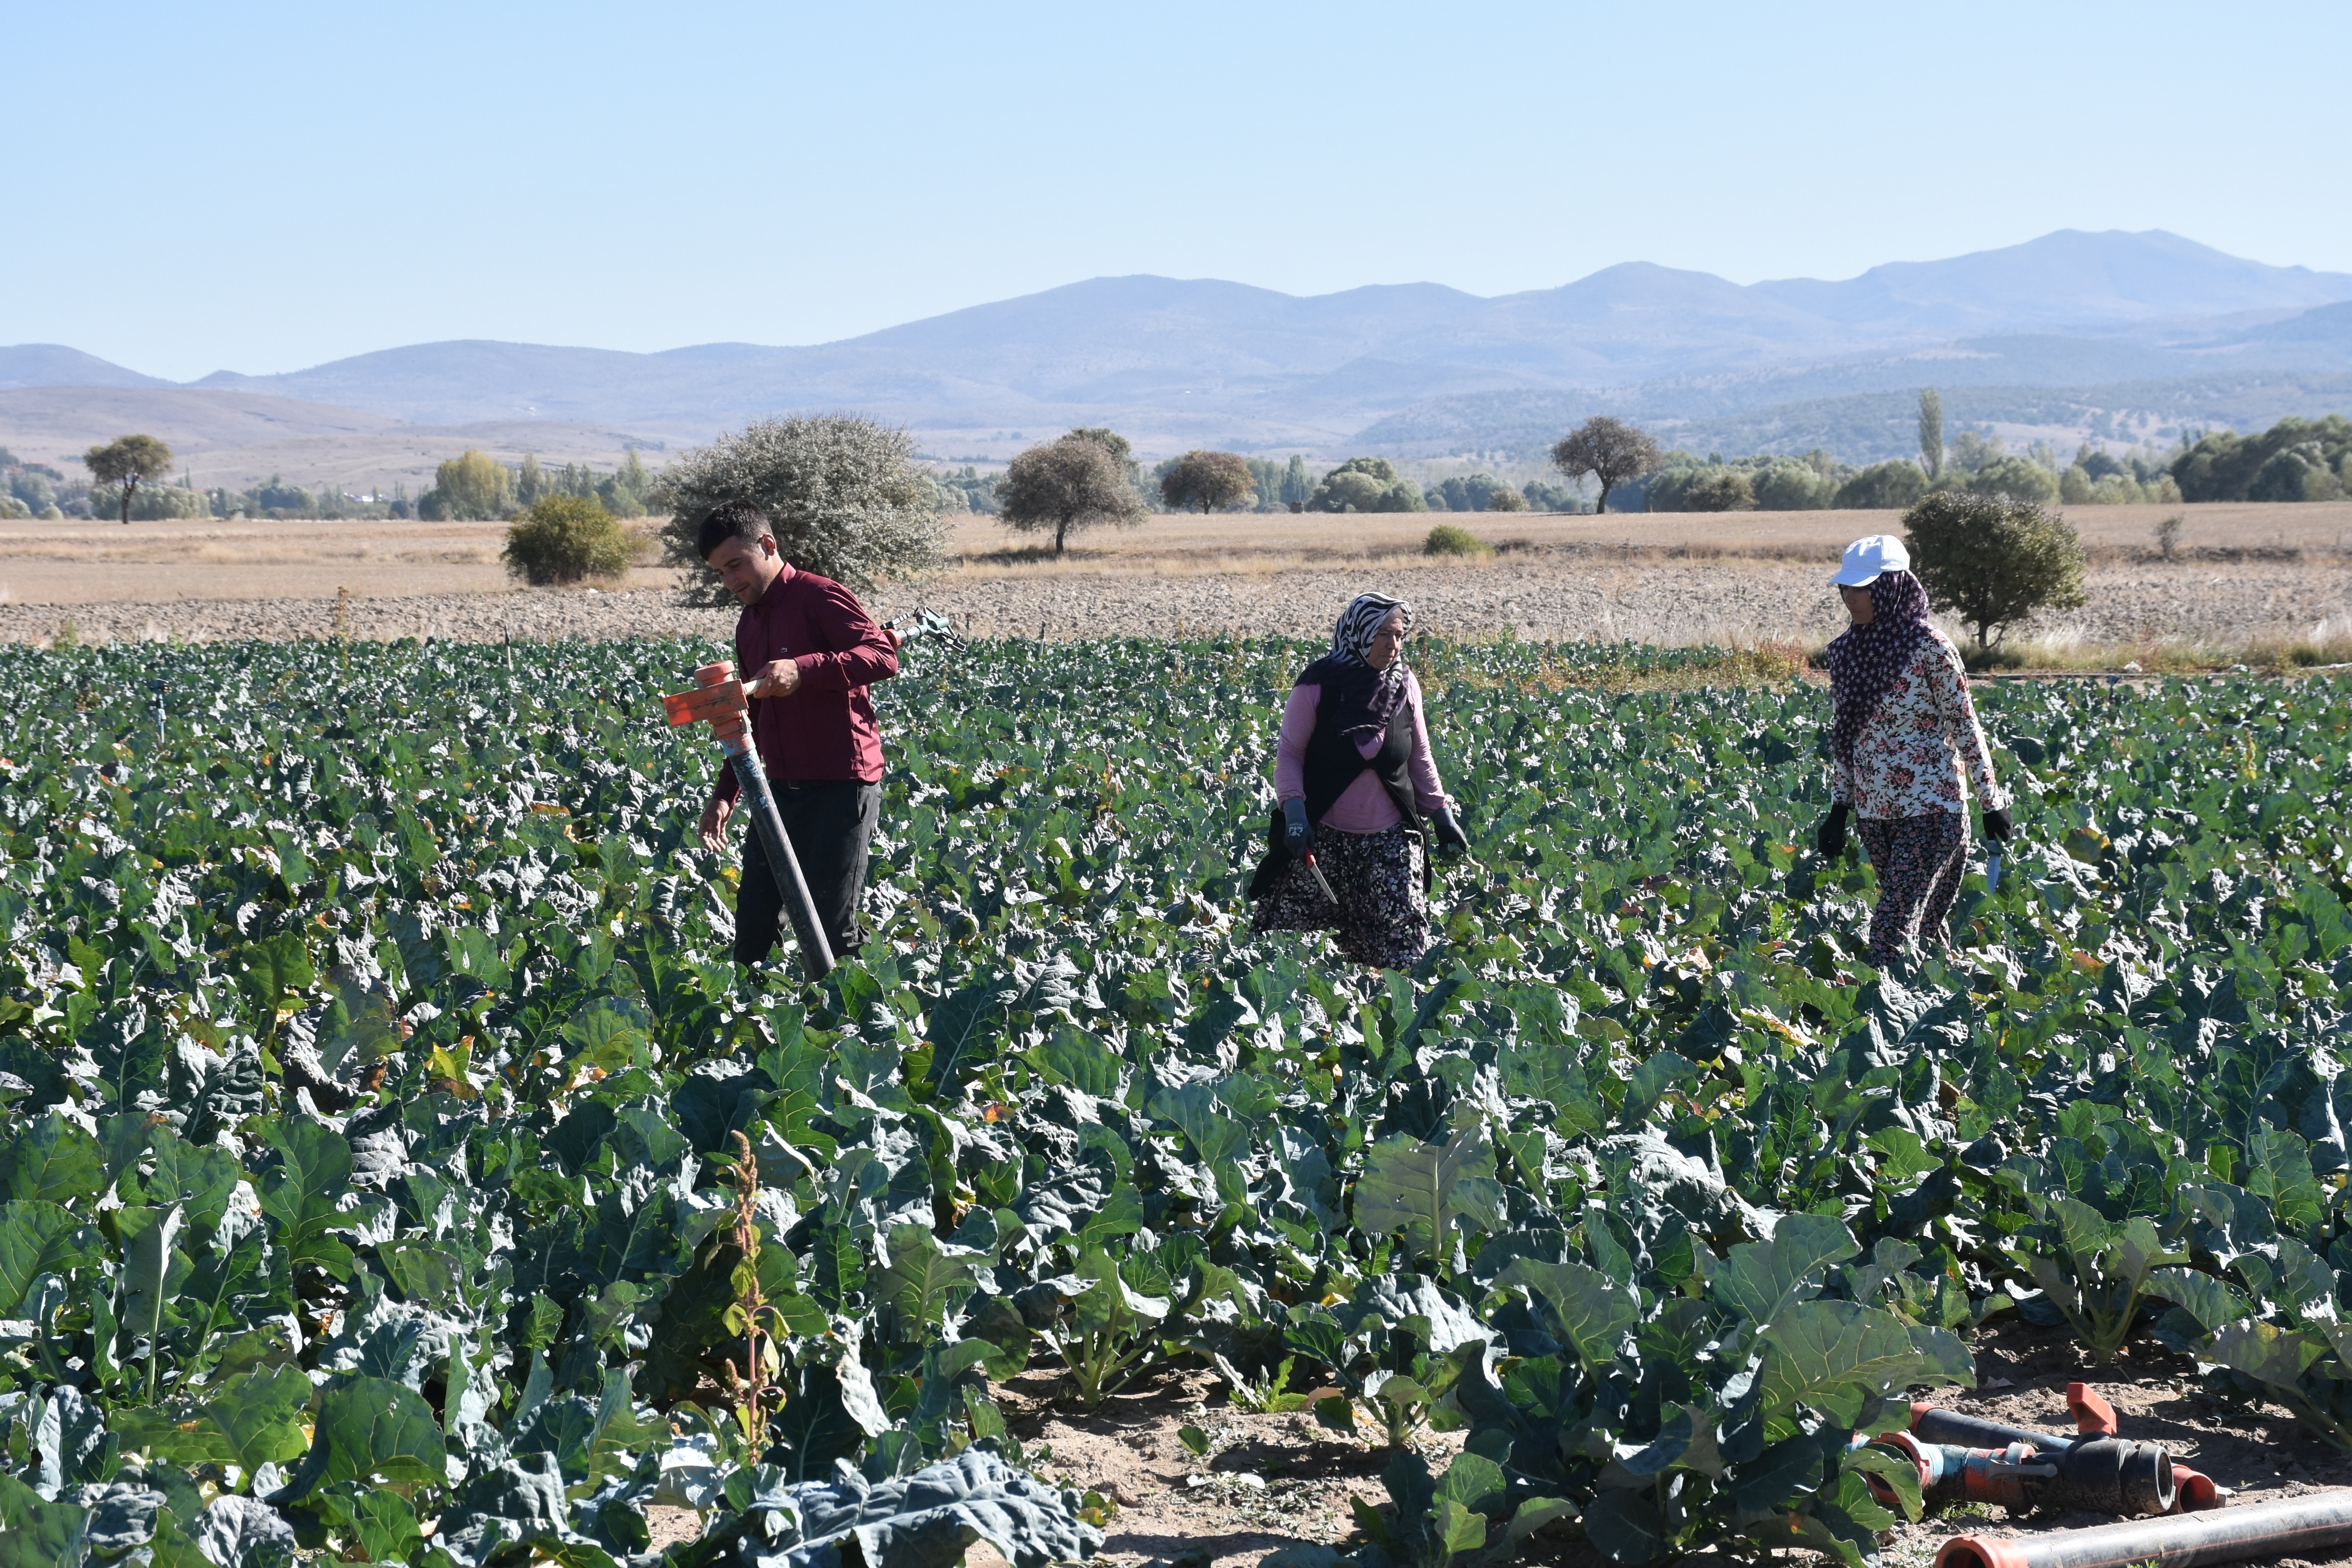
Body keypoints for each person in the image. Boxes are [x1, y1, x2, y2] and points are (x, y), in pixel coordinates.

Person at [694, 500, 898, 966]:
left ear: (768, 546)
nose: (730, 582)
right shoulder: (750, 624)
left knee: (831, 929)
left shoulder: (820, 597)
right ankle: (753, 1033)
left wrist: (803, 670)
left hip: (843, 788)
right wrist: (727, 794)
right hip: (779, 791)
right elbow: (751, 722)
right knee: (752, 926)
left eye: (735, 566)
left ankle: (849, 1031)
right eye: (720, 574)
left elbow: (881, 657)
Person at [1815, 535, 2013, 966]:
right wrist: (1839, 808)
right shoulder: (1847, 651)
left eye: (1862, 587)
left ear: (1891, 587)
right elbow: (1846, 735)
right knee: (1921, 931)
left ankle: (1875, 1020)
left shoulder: (1929, 647)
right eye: (1846, 588)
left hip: (1932, 809)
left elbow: (1965, 724)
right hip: (1876, 813)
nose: (1851, 597)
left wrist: (1990, 801)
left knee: (1888, 932)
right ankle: (1942, 1016)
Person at [1249, 592, 1470, 967]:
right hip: (1323, 839)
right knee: (1289, 948)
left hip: (1391, 840)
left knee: (1402, 942)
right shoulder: (1318, 685)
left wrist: (1442, 815)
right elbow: (1290, 754)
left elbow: (1420, 756)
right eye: (1382, 634)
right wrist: (1296, 814)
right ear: (1359, 632)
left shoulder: (1404, 685)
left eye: (1399, 635)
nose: (1393, 645)